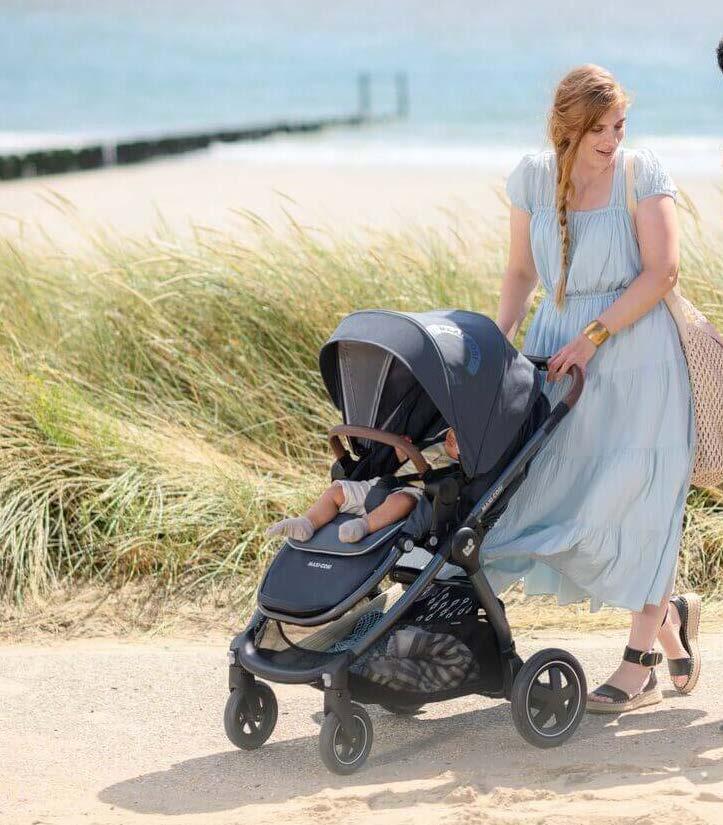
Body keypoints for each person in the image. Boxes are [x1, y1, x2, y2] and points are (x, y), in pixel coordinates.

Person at [481, 64, 701, 713]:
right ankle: (668, 616)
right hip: (557, 354)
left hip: (639, 355)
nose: (611, 140)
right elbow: (520, 272)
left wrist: (593, 336)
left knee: (639, 501)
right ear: (565, 128)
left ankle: (639, 664)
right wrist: (495, 346)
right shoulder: (531, 177)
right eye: (596, 129)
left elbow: (663, 272)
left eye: (618, 126)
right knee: (552, 499)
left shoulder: (640, 173)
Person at [266, 427, 459, 544]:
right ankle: (307, 523)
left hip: (416, 492)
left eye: (458, 439)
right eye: (451, 432)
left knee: (402, 501)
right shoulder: (432, 442)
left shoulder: (460, 467)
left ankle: (364, 525)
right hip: (385, 483)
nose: (451, 436)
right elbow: (404, 462)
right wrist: (401, 451)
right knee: (337, 490)